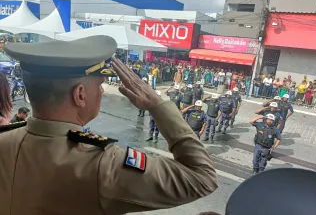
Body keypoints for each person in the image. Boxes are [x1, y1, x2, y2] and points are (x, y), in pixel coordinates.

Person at [0, 36, 217, 214]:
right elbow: (201, 177)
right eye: (100, 85)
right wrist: (158, 106)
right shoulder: (103, 164)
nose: (102, 92)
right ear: (80, 95)